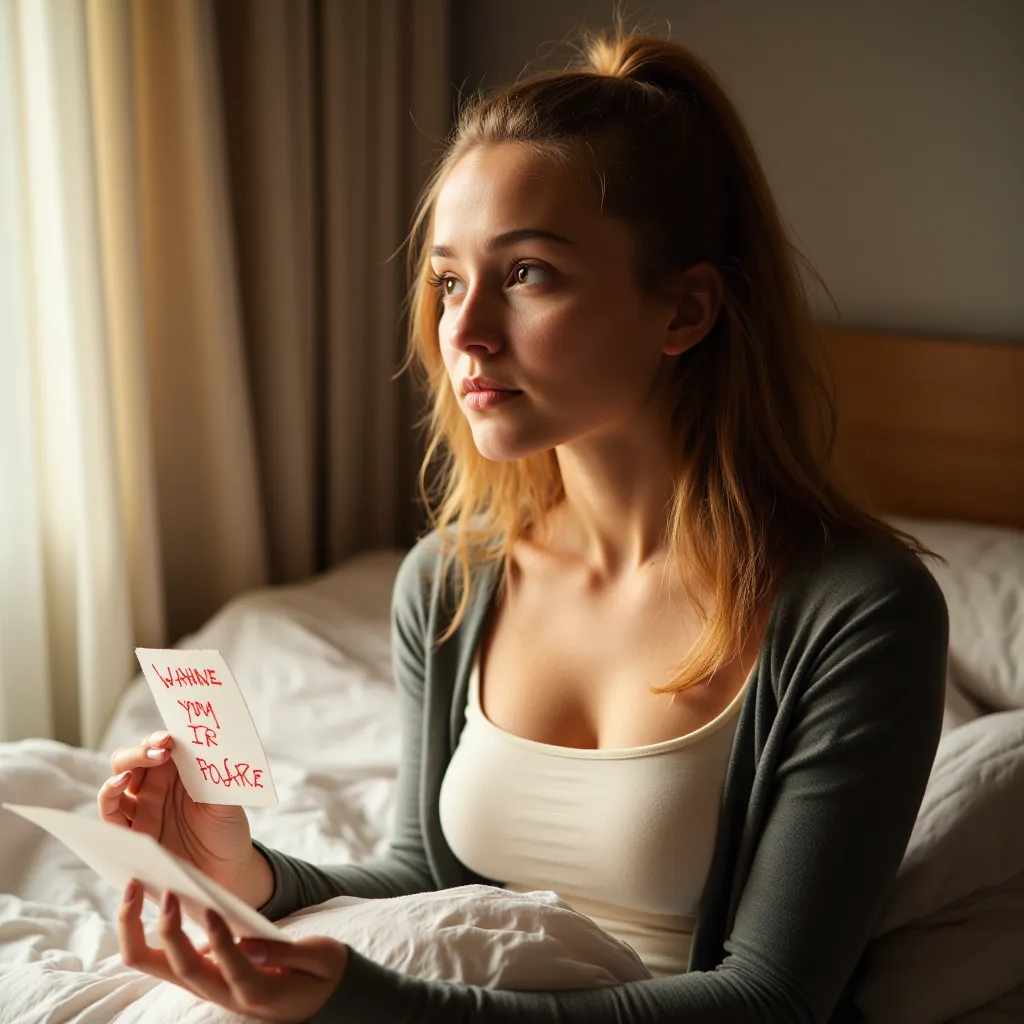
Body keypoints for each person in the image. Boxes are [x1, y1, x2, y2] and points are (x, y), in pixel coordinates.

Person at [98, 26, 948, 1023]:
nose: (462, 331)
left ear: (684, 310)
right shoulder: (452, 582)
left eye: (529, 272)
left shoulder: (858, 613)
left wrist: (371, 1005)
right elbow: (427, 874)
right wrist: (244, 872)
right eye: (450, 279)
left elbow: (771, 998)